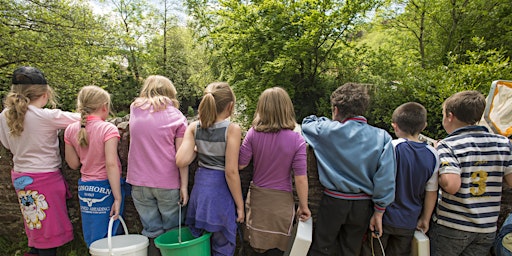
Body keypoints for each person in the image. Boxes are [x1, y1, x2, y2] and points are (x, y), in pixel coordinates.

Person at [301, 82, 396, 256]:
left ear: (336, 109)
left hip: (333, 201)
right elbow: (386, 178)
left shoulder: (327, 131)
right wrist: (379, 211)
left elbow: (307, 123)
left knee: (322, 248)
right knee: (351, 250)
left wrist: (327, 121)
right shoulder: (382, 137)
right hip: (362, 206)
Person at [0, 66, 78, 256]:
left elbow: (6, 144)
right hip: (45, 180)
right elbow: (86, 119)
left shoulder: (3, 116)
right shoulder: (46, 116)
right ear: (44, 94)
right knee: (50, 228)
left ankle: (34, 251)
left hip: (21, 178)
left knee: (35, 222)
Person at [429, 90, 512, 256]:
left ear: (450, 116)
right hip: (486, 227)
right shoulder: (503, 144)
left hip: (452, 226)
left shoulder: (449, 145)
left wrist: (437, 163)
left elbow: (451, 185)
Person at [238, 87, 311, 255]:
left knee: (255, 247)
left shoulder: (252, 134)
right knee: (278, 249)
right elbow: (301, 178)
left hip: (258, 201)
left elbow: (241, 165)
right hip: (282, 204)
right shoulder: (297, 139)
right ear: (287, 108)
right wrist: (304, 205)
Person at [361, 102, 439, 256]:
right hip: (409, 221)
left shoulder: (392, 147)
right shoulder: (433, 154)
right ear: (424, 126)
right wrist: (425, 218)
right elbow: (431, 191)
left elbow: (380, 179)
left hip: (383, 218)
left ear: (395, 126)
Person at [176, 82, 244, 256]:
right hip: (220, 194)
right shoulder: (232, 130)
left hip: (200, 192)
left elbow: (181, 160)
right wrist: (240, 206)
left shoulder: (194, 127)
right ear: (230, 106)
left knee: (200, 243)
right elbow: (231, 172)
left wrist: (198, 148)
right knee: (222, 246)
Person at [127, 75, 189, 255]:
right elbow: (182, 157)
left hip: (138, 182)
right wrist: (184, 186)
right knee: (172, 231)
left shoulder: (135, 109)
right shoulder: (177, 116)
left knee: (151, 230)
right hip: (167, 182)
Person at [64, 85, 125, 247]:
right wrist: (117, 197)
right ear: (104, 107)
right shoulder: (107, 129)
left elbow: (73, 163)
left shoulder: (70, 130)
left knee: (93, 232)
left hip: (85, 188)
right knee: (111, 232)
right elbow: (111, 164)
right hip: (107, 186)